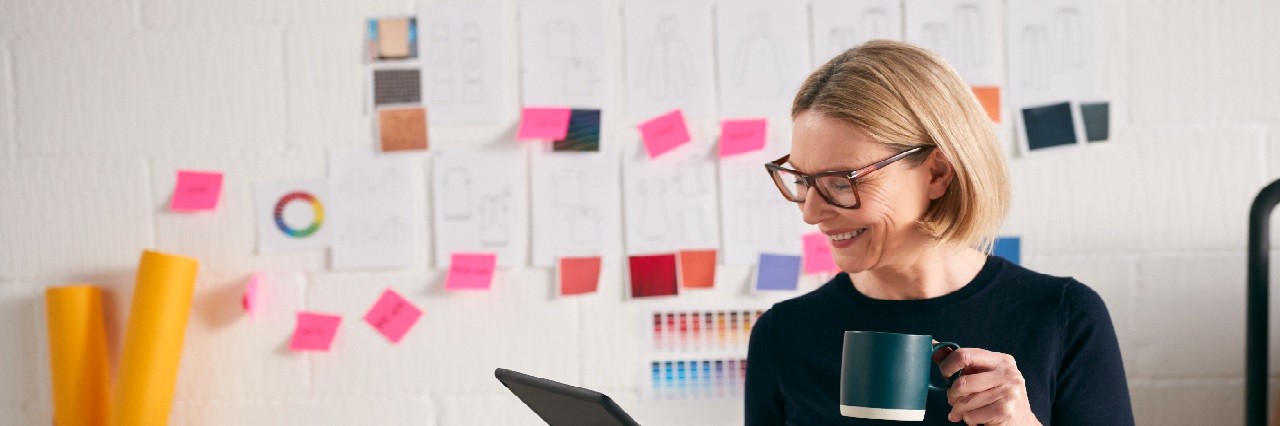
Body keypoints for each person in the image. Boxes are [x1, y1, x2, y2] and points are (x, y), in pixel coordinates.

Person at [745, 40, 1133, 425]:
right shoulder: (782, 335)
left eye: (842, 182)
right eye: (801, 180)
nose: (810, 213)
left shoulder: (1064, 316)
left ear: (937, 173)